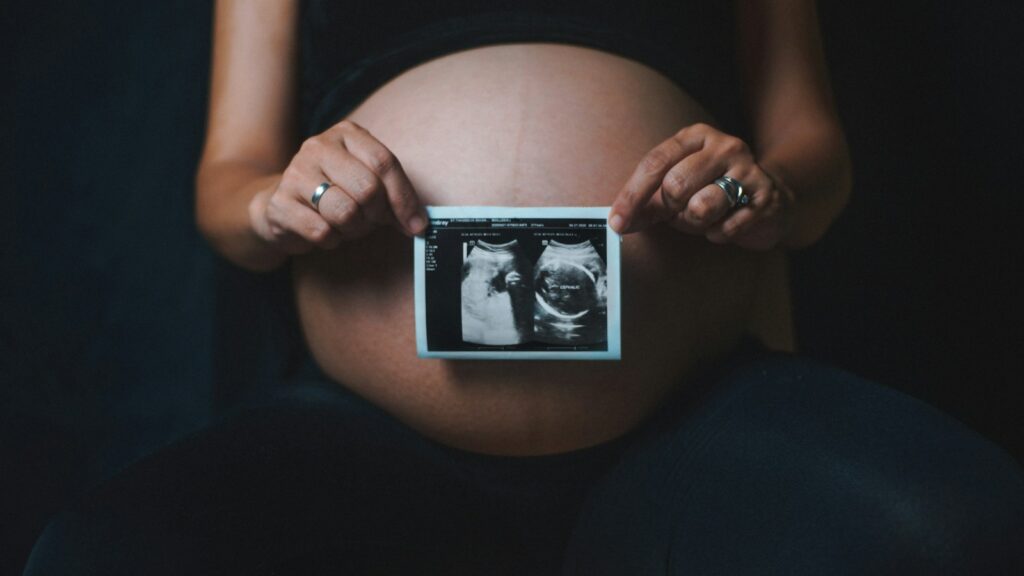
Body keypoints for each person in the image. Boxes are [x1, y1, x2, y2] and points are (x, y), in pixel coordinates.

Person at [23, 0, 1023, 574]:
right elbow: (224, 185)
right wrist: (282, 204)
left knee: (954, 529)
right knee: (97, 558)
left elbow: (817, 157)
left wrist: (766, 187)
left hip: (698, 417)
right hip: (369, 438)